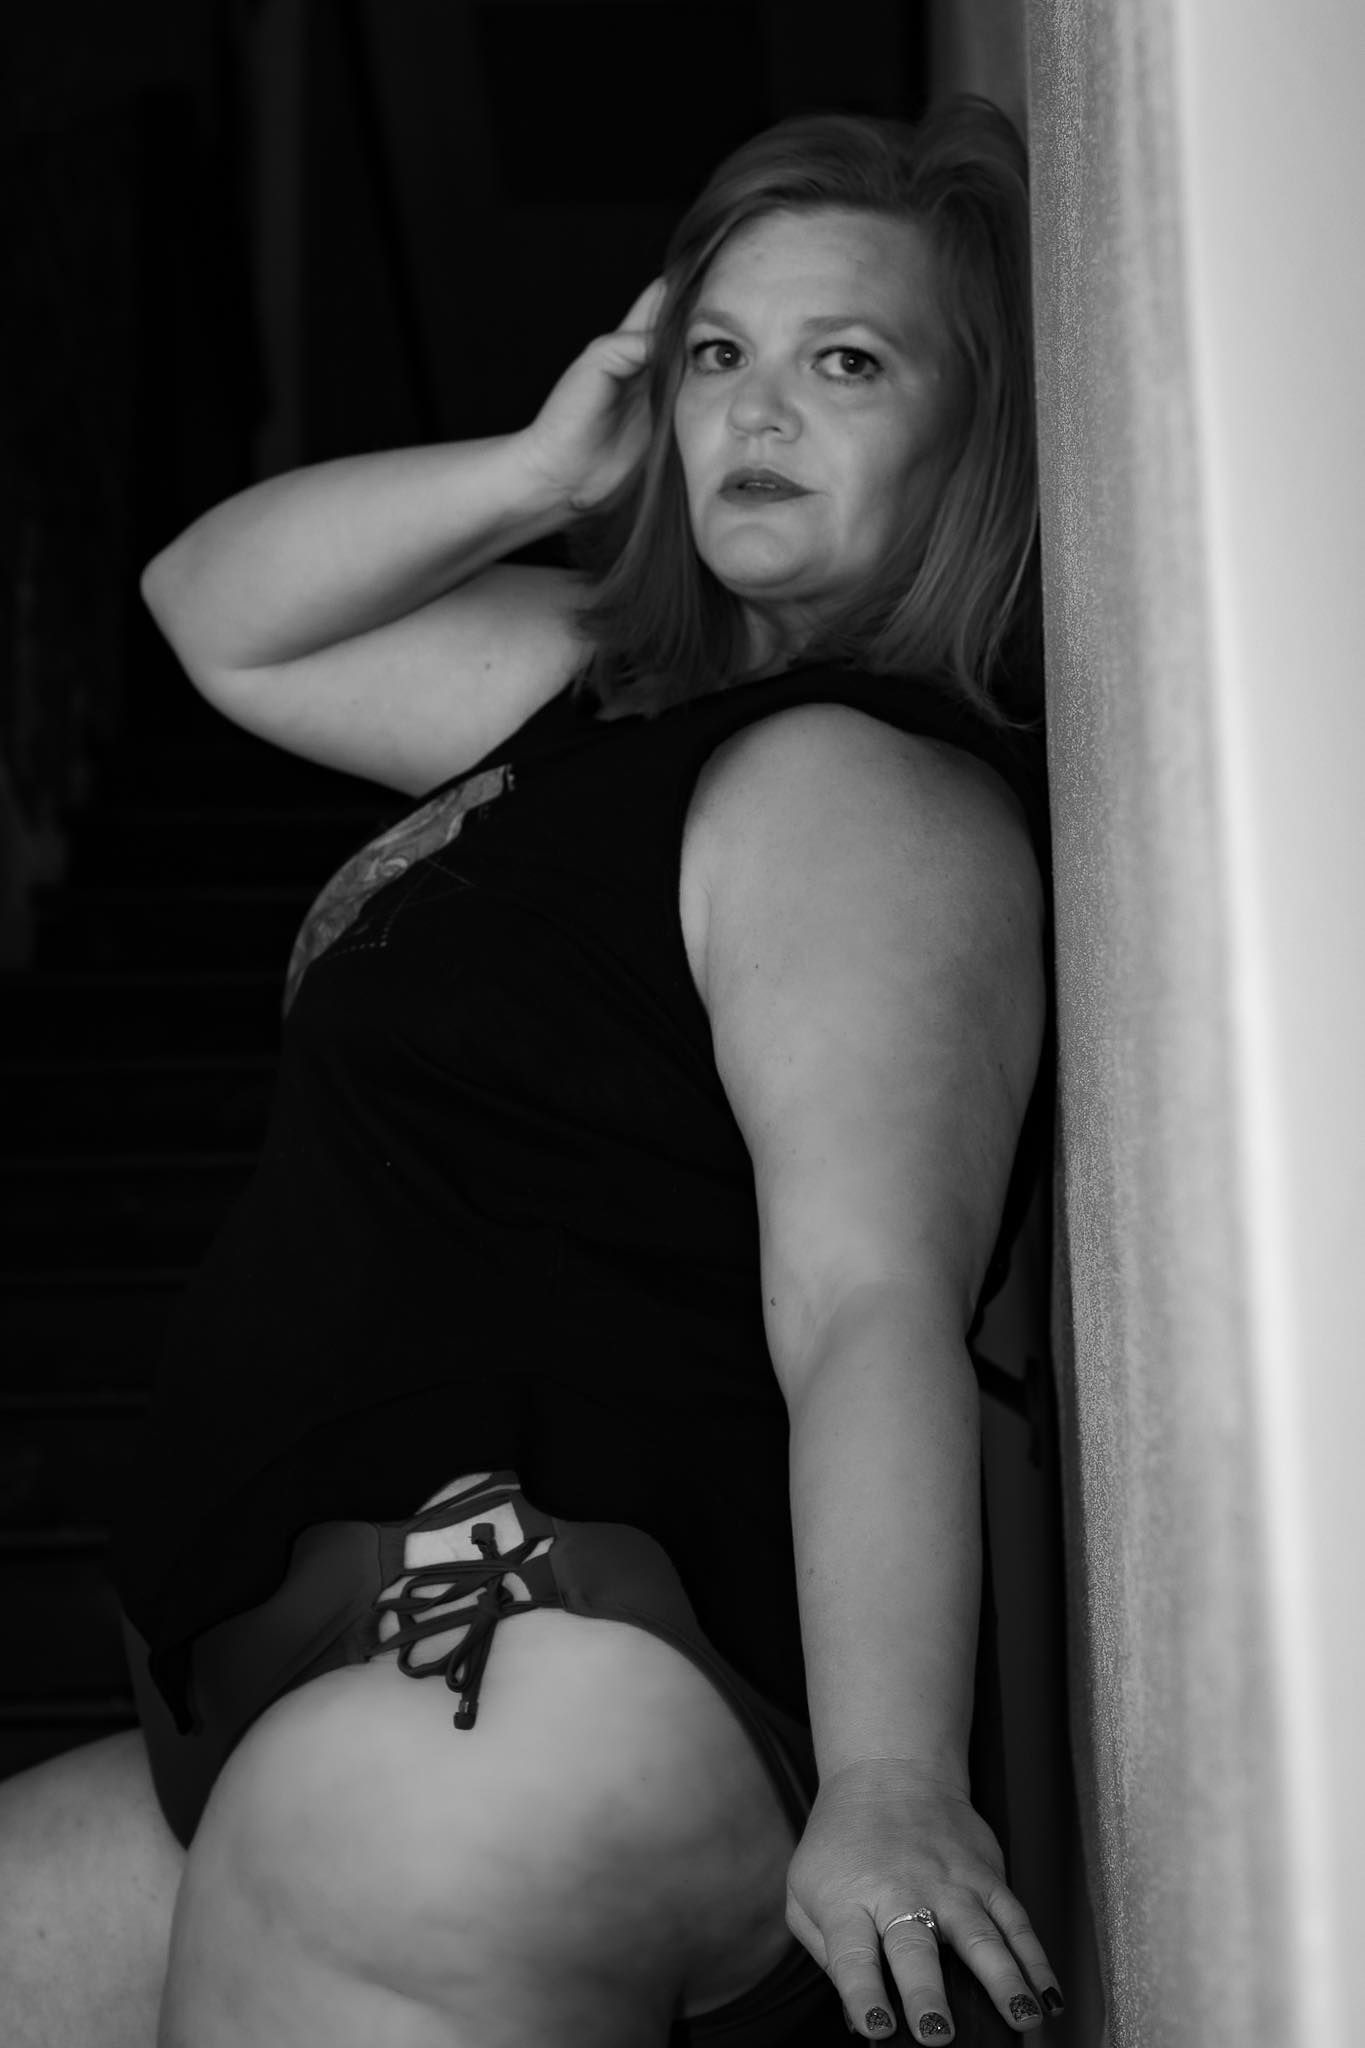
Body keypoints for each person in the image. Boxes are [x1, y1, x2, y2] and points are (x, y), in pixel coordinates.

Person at [0, 95, 1061, 2047]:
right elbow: (216, 612)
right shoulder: (607, 709)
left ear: (975, 436)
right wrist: (538, 467)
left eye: (845, 362)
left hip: (527, 1656)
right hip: (311, 1676)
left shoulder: (857, 790)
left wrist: (893, 1778)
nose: (755, 408)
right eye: (717, 355)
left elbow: (864, 1299)